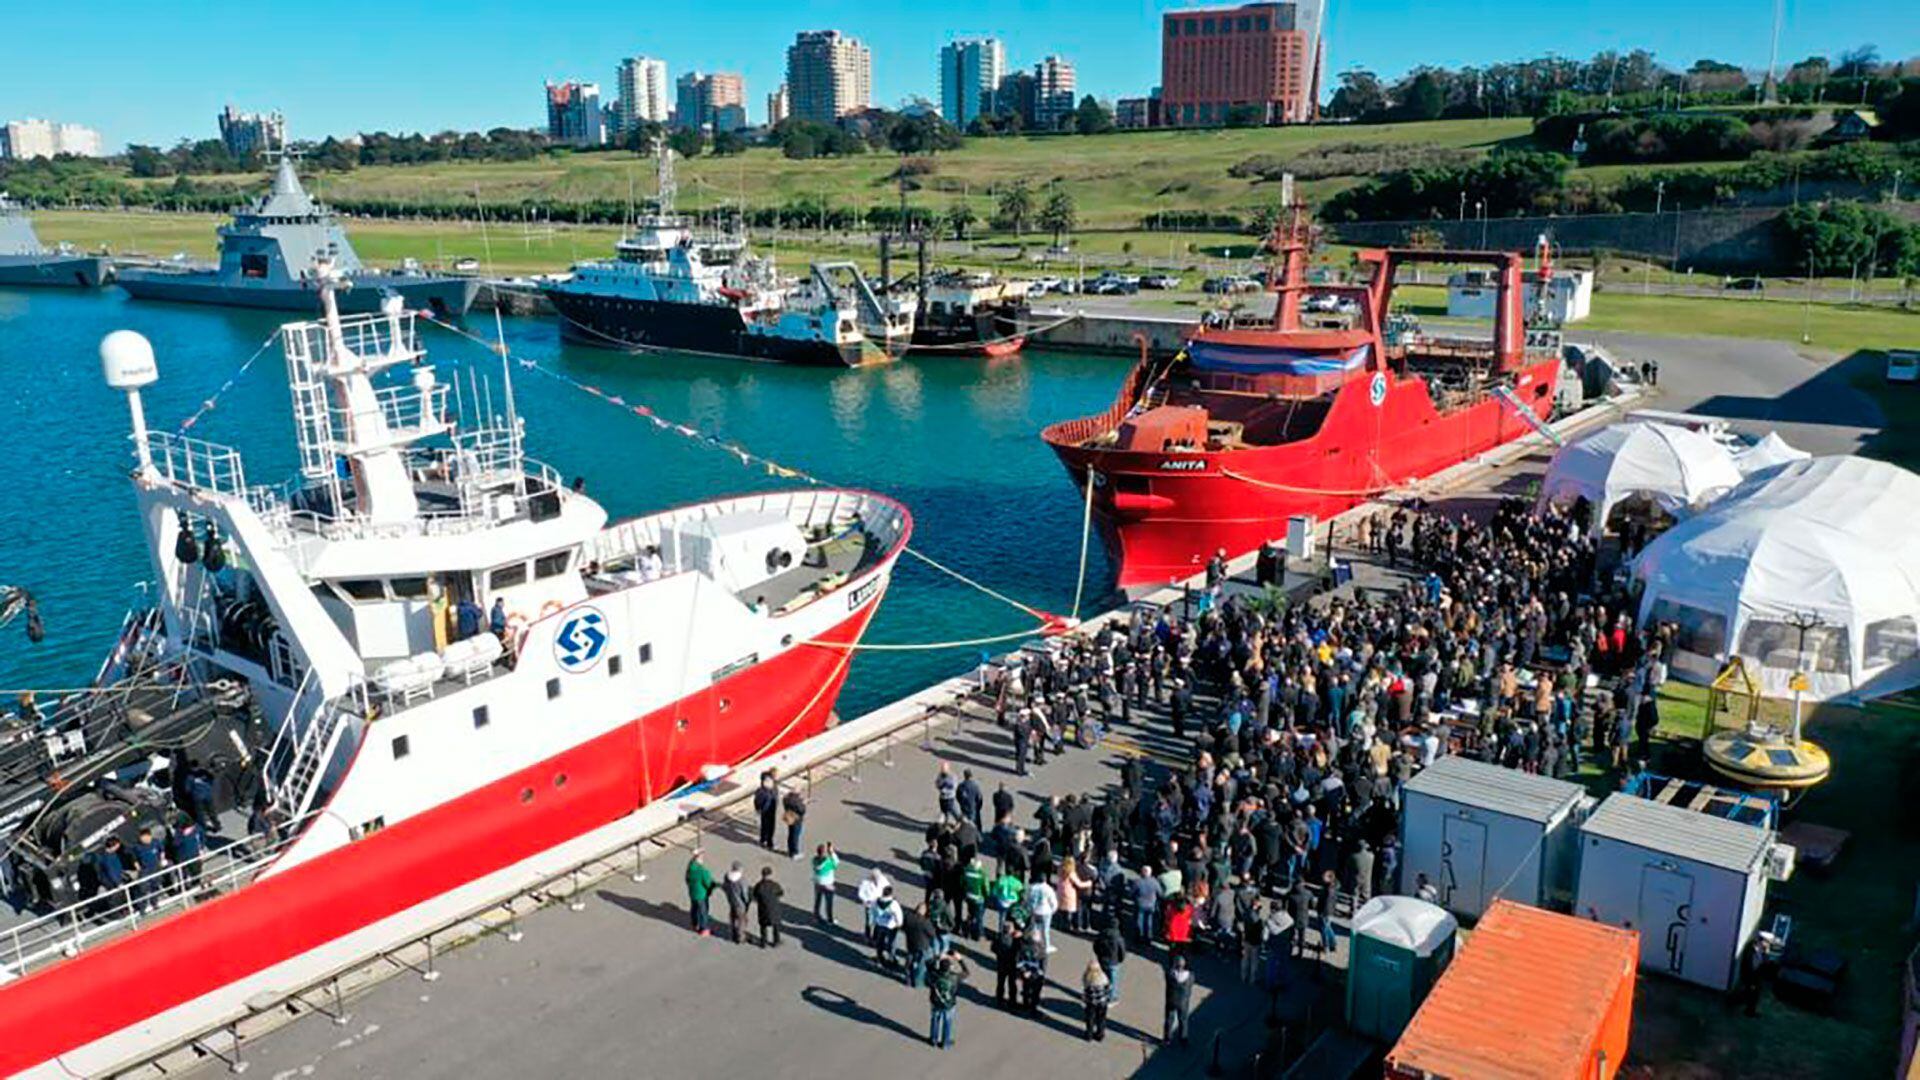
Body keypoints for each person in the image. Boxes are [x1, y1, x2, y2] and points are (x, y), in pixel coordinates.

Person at [927, 948, 969, 1049]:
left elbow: (928, 963)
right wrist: (960, 959)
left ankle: (933, 1039)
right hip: (949, 1003)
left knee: (935, 1020)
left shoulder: (934, 974)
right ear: (949, 968)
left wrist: (938, 956)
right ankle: (945, 1042)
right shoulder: (954, 977)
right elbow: (966, 972)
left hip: (935, 1001)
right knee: (947, 1022)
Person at [1093, 916, 1128, 1004]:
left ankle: (1101, 994)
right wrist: (1120, 960)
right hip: (1113, 962)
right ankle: (1111, 997)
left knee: (1102, 978)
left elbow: (1095, 946)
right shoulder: (1118, 938)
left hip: (1102, 960)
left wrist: (1099, 955)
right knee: (1113, 981)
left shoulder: (1102, 934)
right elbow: (1122, 951)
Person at [1163, 954, 1195, 1047]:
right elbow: (1192, 977)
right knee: (1183, 1020)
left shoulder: (1170, 974)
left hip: (1171, 1001)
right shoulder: (1190, 977)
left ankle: (1167, 1039)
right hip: (1183, 1003)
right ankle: (1183, 1039)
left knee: (1169, 1019)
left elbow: (1167, 972)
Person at [903, 900, 935, 988]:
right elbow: (932, 934)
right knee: (921, 965)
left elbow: (903, 927)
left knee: (909, 962)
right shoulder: (925, 922)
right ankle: (918, 982)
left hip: (910, 943)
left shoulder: (908, 917)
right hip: (922, 946)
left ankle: (908, 980)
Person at [752, 865, 785, 948]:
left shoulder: (758, 886)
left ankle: (763, 942)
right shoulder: (775, 885)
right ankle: (776, 941)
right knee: (776, 926)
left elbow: (755, 895)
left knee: (763, 927)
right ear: (770, 875)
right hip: (774, 909)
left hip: (763, 910)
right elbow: (781, 893)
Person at [1059, 855, 1092, 934]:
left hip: (1061, 890)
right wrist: (1088, 883)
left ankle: (1062, 924)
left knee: (1063, 909)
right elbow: (1079, 884)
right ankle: (1069, 926)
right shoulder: (1071, 873)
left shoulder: (1061, 870)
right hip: (1069, 892)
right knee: (1070, 910)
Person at [684, 850, 715, 936]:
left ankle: (695, 923)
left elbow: (687, 879)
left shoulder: (690, 868)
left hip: (692, 892)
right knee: (703, 911)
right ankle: (704, 928)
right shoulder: (702, 871)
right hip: (701, 894)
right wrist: (713, 886)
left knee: (694, 908)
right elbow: (708, 883)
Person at [1028, 874, 1060, 955]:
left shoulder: (1033, 888)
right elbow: (1053, 901)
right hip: (1045, 911)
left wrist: (1030, 909)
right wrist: (1053, 910)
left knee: (1035, 929)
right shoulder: (1048, 889)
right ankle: (1046, 946)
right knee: (1045, 930)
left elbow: (1029, 899)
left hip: (1035, 911)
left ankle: (1034, 944)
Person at [858, 867, 891, 945]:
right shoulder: (865, 882)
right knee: (869, 921)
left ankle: (875, 938)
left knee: (878, 921)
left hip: (879, 904)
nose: (877, 879)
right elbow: (861, 893)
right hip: (869, 905)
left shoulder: (883, 880)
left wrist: (886, 897)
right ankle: (867, 936)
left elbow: (888, 888)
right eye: (875, 878)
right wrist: (865, 900)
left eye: (878, 877)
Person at [721, 861, 751, 944]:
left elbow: (724, 887)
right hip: (740, 903)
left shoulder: (727, 877)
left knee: (733, 917)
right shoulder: (742, 880)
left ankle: (733, 933)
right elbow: (744, 893)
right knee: (742, 920)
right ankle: (740, 937)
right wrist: (747, 901)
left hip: (731, 901)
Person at [873, 886, 904, 967]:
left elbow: (873, 911)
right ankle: (892, 957)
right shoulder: (893, 904)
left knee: (880, 941)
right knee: (891, 942)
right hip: (891, 926)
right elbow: (898, 915)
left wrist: (875, 920)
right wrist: (899, 923)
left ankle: (879, 957)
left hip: (880, 924)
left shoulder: (877, 901)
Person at [1083, 958, 1112, 1042]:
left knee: (1090, 1019)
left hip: (1091, 1002)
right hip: (1102, 1002)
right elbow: (1108, 988)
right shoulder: (1103, 977)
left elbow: (1085, 990)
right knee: (1101, 1019)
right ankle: (1100, 1035)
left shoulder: (1087, 977)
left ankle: (1089, 1035)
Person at [961, 852, 989, 939]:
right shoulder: (982, 874)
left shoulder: (966, 871)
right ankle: (978, 934)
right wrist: (987, 896)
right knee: (979, 917)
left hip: (969, 896)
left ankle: (967, 932)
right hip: (978, 898)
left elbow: (962, 883)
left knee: (970, 915)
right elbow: (986, 888)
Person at [811, 843, 839, 927]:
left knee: (817, 900)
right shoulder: (828, 862)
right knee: (829, 902)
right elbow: (836, 862)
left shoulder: (814, 860)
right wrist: (832, 852)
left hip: (817, 882)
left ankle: (816, 916)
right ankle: (830, 919)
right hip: (828, 884)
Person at [753, 772, 779, 850]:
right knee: (766, 827)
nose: (770, 782)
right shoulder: (761, 791)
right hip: (765, 812)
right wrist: (758, 810)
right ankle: (768, 842)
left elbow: (776, 797)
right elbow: (757, 802)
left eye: (771, 780)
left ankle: (765, 840)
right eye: (768, 780)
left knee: (771, 827)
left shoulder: (774, 789)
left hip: (772, 810)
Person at [782, 787, 807, 858]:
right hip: (797, 820)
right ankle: (795, 852)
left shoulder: (786, 799)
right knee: (795, 835)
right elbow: (802, 810)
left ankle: (790, 850)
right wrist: (804, 804)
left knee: (790, 834)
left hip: (790, 818)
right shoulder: (796, 802)